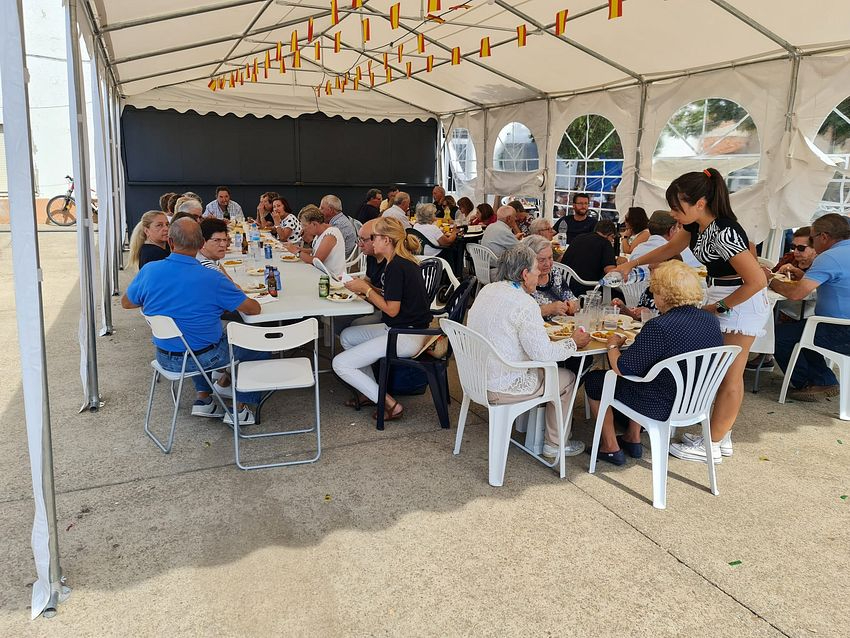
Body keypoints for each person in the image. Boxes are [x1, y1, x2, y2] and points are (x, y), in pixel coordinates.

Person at [614, 168, 769, 463]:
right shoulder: (697, 226)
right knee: (718, 372)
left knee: (729, 374)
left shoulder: (723, 231)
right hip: (721, 293)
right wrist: (631, 263)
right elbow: (671, 248)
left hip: (741, 300)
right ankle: (721, 436)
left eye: (677, 207)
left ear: (700, 203)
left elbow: (757, 281)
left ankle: (713, 445)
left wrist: (718, 308)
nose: (673, 214)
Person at [121, 218, 265, 424]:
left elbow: (127, 303)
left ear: (170, 242)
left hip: (164, 357)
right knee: (256, 341)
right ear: (201, 244)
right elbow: (253, 309)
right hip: (204, 357)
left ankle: (204, 399)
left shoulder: (149, 270)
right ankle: (239, 409)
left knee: (192, 337)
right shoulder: (212, 278)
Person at [584, 261, 724, 465]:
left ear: (664, 294)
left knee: (595, 380)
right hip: (695, 401)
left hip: (660, 403)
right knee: (647, 369)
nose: (653, 295)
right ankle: (632, 436)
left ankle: (610, 447)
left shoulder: (660, 326)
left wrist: (612, 345)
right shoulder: (710, 321)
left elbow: (622, 368)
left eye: (655, 291)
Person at [467, 244, 592, 458]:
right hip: (500, 385)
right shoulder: (525, 303)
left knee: (552, 371)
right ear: (525, 274)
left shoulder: (487, 289)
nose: (539, 274)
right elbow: (542, 355)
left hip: (474, 378)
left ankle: (543, 431)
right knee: (568, 378)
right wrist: (572, 342)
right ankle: (555, 444)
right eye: (536, 270)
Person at [333, 217, 432, 422]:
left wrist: (366, 289)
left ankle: (390, 404)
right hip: (405, 328)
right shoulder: (398, 262)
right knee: (348, 336)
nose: (371, 241)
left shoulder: (396, 266)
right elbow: (392, 296)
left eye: (374, 237)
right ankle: (371, 393)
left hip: (407, 335)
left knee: (340, 364)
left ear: (386, 240)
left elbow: (392, 310)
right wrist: (366, 289)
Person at [768, 214, 850, 401]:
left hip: (840, 330)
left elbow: (796, 295)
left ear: (824, 237)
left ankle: (813, 382)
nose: (812, 243)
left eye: (811, 239)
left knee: (779, 336)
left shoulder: (829, 257)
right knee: (803, 330)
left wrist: (770, 280)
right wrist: (802, 276)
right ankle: (823, 379)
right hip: (839, 326)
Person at [746, 226, 815, 371]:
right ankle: (762, 354)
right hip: (781, 306)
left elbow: (807, 291)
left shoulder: (818, 265)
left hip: (806, 312)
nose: (796, 252)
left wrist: (798, 275)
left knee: (767, 315)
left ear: (815, 248)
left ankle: (765, 354)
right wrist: (778, 272)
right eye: (793, 247)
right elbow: (771, 274)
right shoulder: (790, 258)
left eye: (801, 248)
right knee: (759, 308)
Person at [334, 218, 386, 333]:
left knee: (351, 325)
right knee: (336, 317)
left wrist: (365, 289)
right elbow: (368, 282)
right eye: (359, 239)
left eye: (364, 240)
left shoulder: (393, 264)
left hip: (387, 315)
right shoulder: (372, 256)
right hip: (372, 305)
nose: (359, 245)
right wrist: (356, 283)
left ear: (383, 239)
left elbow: (388, 302)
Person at [522, 235, 578, 319]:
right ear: (528, 260)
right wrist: (548, 309)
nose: (548, 264)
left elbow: (572, 299)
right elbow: (520, 314)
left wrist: (573, 305)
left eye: (550, 257)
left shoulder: (554, 273)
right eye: (541, 260)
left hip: (562, 325)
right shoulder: (523, 280)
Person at [285, 205, 347, 277]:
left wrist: (296, 252)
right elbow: (315, 251)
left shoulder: (330, 235)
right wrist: (298, 249)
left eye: (304, 225)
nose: (303, 229)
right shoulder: (320, 232)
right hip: (321, 273)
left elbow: (316, 261)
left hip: (333, 278)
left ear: (314, 224)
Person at [561, 219, 618, 297]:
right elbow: (611, 272)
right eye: (612, 238)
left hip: (565, 284)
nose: (612, 241)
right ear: (610, 235)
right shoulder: (605, 243)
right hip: (587, 289)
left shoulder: (579, 237)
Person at [628, 210, 701, 268]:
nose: (679, 230)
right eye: (677, 227)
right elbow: (700, 265)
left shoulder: (637, 250)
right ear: (672, 230)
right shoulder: (682, 251)